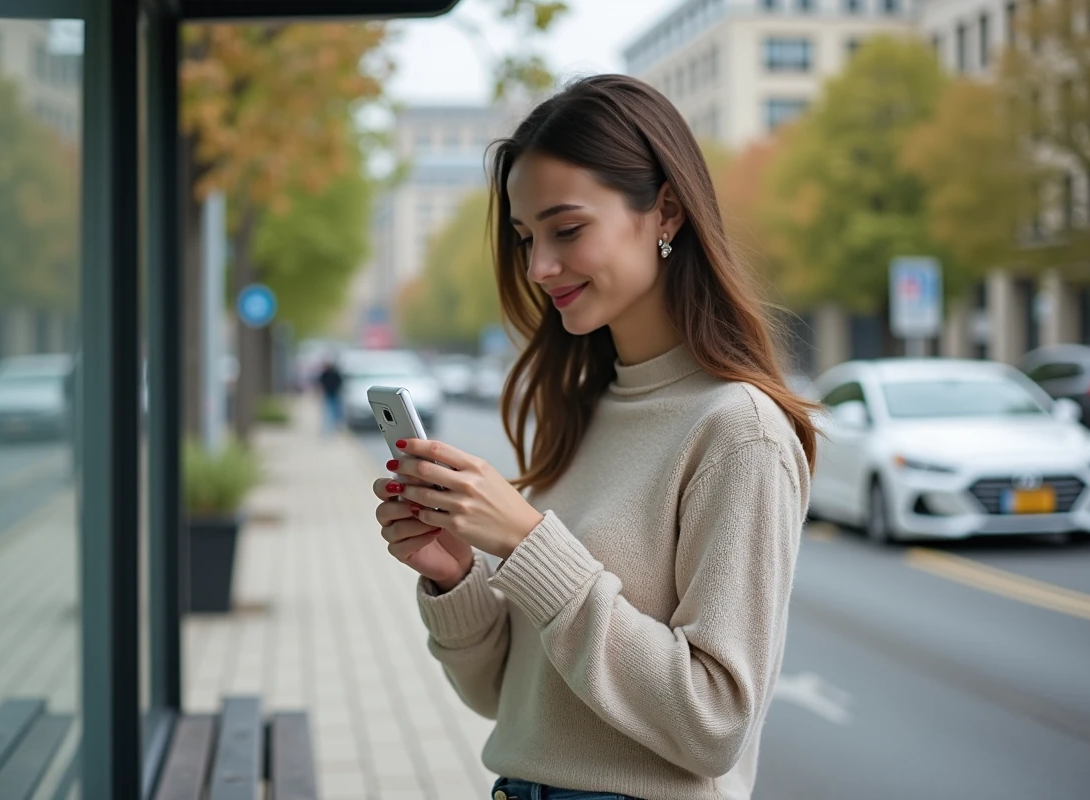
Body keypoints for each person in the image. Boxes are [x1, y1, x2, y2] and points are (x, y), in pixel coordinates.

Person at [371, 75, 817, 800]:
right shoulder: (584, 408)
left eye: (567, 229)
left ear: (665, 210)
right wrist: (455, 576)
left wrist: (528, 545)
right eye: (525, 238)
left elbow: (714, 726)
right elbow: (507, 701)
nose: (539, 267)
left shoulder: (740, 431)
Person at [316, 358, 344, 435]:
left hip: (331, 394)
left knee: (331, 411)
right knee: (333, 411)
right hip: (331, 394)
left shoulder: (326, 374)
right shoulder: (331, 374)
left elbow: (320, 384)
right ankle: (332, 427)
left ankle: (331, 427)